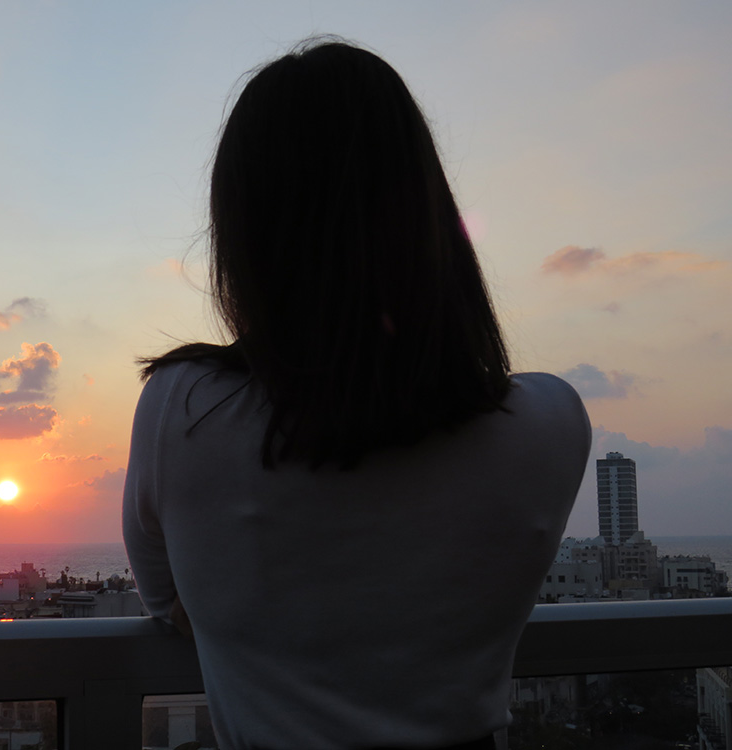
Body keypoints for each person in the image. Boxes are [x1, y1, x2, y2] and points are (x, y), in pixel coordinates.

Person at [123, 39, 590, 750]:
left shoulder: (182, 412)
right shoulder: (550, 422)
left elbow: (172, 605)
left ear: (246, 236)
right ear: (430, 216)